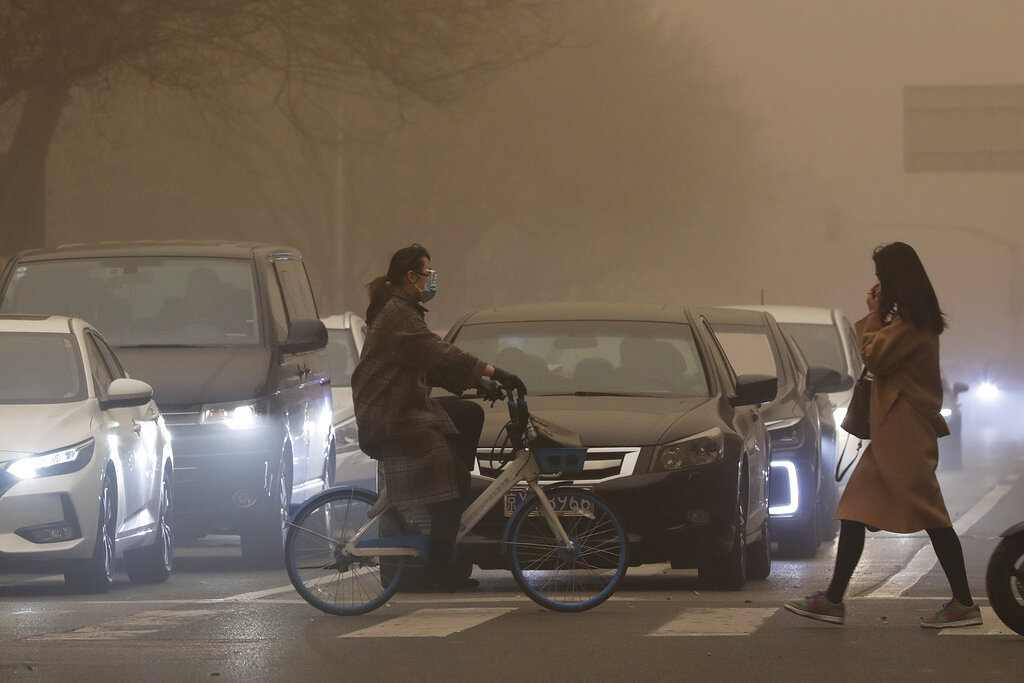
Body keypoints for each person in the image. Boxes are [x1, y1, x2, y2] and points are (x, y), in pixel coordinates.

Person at [784, 242, 982, 628]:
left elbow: (875, 357)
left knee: (931, 513)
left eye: (881, 277)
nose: (878, 284)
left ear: (896, 279)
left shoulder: (913, 324)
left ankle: (963, 603)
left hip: (904, 432)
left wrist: (874, 315)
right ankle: (834, 599)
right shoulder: (909, 320)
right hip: (893, 430)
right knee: (855, 511)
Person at [351, 244, 524, 592]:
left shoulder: (403, 309)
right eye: (428, 274)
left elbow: (430, 365)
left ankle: (446, 496)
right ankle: (440, 566)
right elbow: (439, 353)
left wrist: (480, 383)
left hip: (402, 408)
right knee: (453, 484)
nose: (432, 280)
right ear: (411, 277)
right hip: (391, 417)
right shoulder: (399, 313)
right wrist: (496, 371)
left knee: (468, 413)